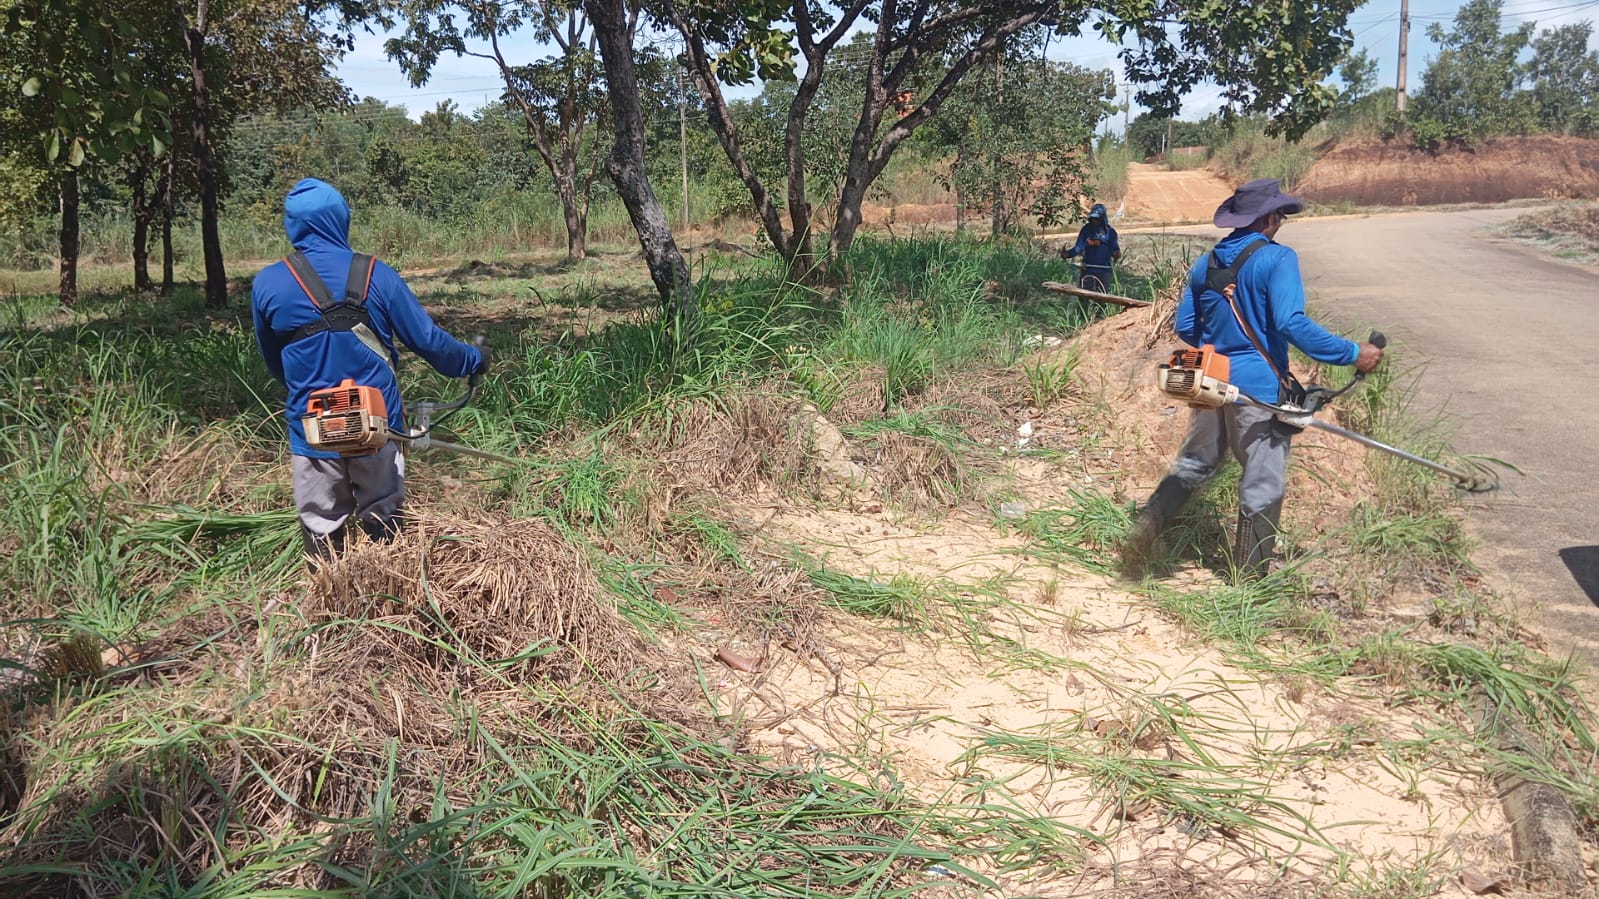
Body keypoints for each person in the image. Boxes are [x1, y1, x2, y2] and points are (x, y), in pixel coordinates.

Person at [1121, 178, 1382, 578]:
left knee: (1194, 463)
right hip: (1256, 389)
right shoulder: (1278, 259)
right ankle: (1249, 583)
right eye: (1279, 214)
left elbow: (1187, 327)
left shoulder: (1205, 263)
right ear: (1269, 217)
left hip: (1206, 379)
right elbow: (1289, 321)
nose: (1281, 221)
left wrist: (1223, 345)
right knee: (1262, 479)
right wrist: (1352, 353)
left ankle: (1146, 528)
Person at [252, 178, 485, 561]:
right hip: (378, 426)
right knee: (385, 518)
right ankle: (387, 604)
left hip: (311, 430)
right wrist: (473, 359)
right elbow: (429, 342)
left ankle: (328, 608)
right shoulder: (377, 274)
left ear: (292, 224)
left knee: (321, 526)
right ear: (340, 219)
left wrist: (307, 396)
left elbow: (275, 362)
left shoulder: (269, 283)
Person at [1060, 203, 1122, 293]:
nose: (1094, 221)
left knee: (1102, 298)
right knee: (1083, 297)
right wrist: (1068, 254)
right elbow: (1079, 247)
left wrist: (1117, 255)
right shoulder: (1086, 230)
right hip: (1088, 270)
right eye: (1093, 218)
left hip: (1104, 271)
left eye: (1097, 219)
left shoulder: (1110, 232)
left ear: (1103, 219)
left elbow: (1115, 251)